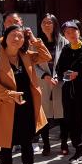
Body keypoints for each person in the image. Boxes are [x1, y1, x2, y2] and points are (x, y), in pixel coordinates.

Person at [0, 24, 51, 164]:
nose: (17, 38)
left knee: (27, 144)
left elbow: (46, 56)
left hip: (27, 106)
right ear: (5, 37)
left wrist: (34, 40)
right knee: (7, 147)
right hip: (7, 107)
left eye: (20, 36)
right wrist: (8, 94)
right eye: (13, 35)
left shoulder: (26, 55)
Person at [55, 21, 82, 162]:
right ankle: (78, 150)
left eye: (73, 31)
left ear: (79, 32)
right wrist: (65, 74)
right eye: (67, 32)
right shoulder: (66, 49)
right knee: (72, 120)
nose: (71, 34)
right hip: (69, 90)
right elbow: (59, 68)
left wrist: (78, 74)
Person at [35, 13, 66, 156]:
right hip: (43, 82)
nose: (47, 25)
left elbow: (67, 61)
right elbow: (31, 64)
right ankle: (46, 145)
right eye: (44, 22)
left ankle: (64, 143)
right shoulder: (36, 43)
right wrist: (45, 76)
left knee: (62, 114)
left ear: (55, 24)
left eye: (50, 22)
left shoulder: (63, 41)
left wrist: (58, 76)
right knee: (44, 115)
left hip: (60, 82)